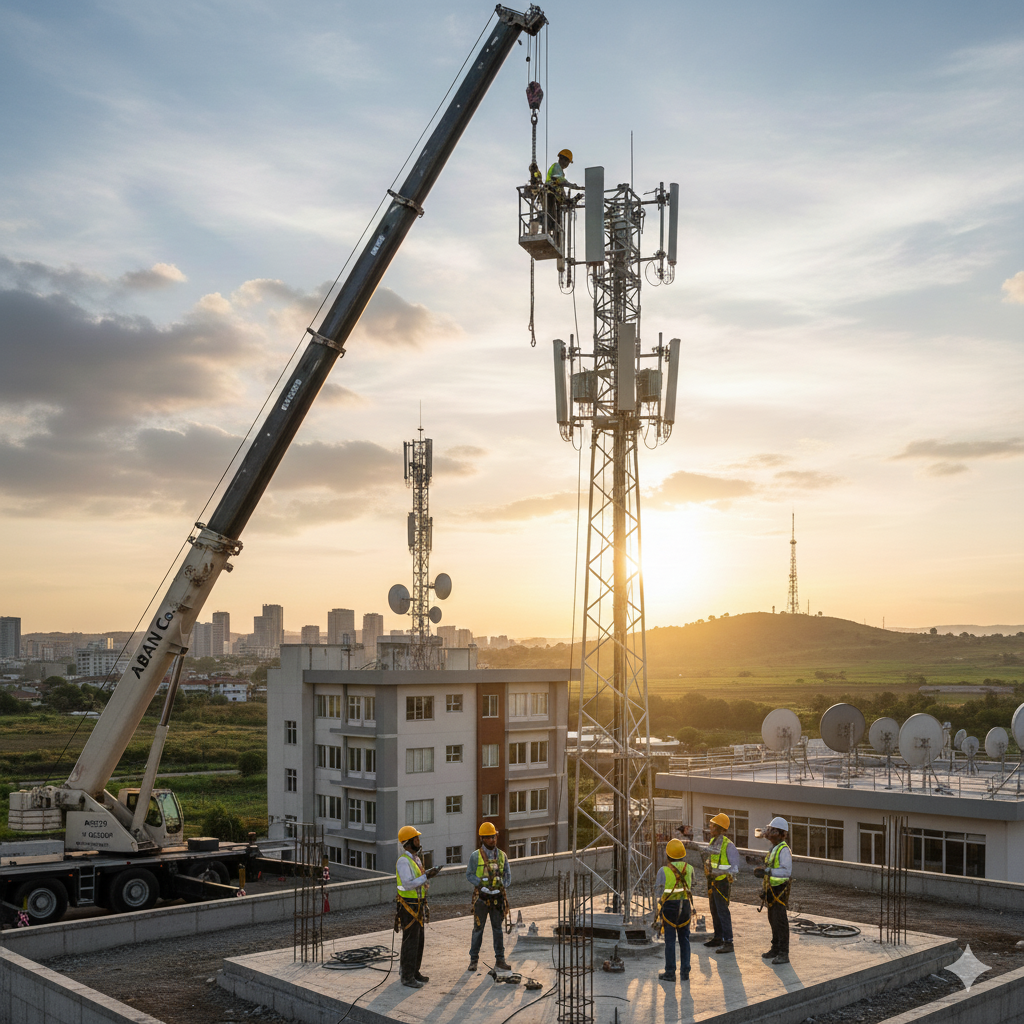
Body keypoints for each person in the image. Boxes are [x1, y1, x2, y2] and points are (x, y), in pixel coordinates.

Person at [395, 825, 440, 988]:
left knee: (419, 940)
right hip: (409, 905)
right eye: (416, 839)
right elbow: (407, 885)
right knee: (410, 940)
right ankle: (407, 976)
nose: (418, 841)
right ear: (408, 842)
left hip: (418, 904)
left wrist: (427, 877)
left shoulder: (417, 859)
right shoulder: (403, 861)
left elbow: (419, 879)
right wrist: (426, 876)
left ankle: (414, 971)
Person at [466, 822, 512, 972]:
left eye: (494, 836)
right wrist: (481, 885)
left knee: (498, 929)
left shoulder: (502, 855)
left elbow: (508, 875)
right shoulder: (475, 856)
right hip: (482, 897)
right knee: (478, 929)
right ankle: (473, 960)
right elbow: (469, 874)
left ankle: (500, 959)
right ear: (483, 839)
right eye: (490, 837)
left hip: (497, 897)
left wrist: (501, 886)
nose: (493, 839)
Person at [754, 816, 793, 965]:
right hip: (772, 890)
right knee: (773, 920)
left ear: (781, 833)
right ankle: (775, 948)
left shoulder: (784, 850)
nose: (769, 833)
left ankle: (784, 953)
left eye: (772, 830)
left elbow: (786, 872)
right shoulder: (774, 849)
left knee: (780, 921)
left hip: (779, 891)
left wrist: (768, 872)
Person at [656, 838, 695, 983]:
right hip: (685, 906)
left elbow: (657, 892)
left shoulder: (663, 870)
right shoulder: (689, 868)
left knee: (670, 941)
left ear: (667, 855)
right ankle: (685, 972)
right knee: (684, 939)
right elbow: (692, 886)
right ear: (683, 855)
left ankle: (670, 973)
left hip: (670, 908)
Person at [702, 812, 740, 954]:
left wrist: (719, 873)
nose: (710, 828)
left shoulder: (728, 846)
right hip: (712, 882)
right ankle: (718, 937)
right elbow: (711, 860)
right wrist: (708, 867)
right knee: (714, 910)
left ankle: (728, 942)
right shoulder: (713, 842)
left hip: (723, 883)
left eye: (712, 826)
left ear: (719, 828)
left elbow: (735, 868)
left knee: (723, 911)